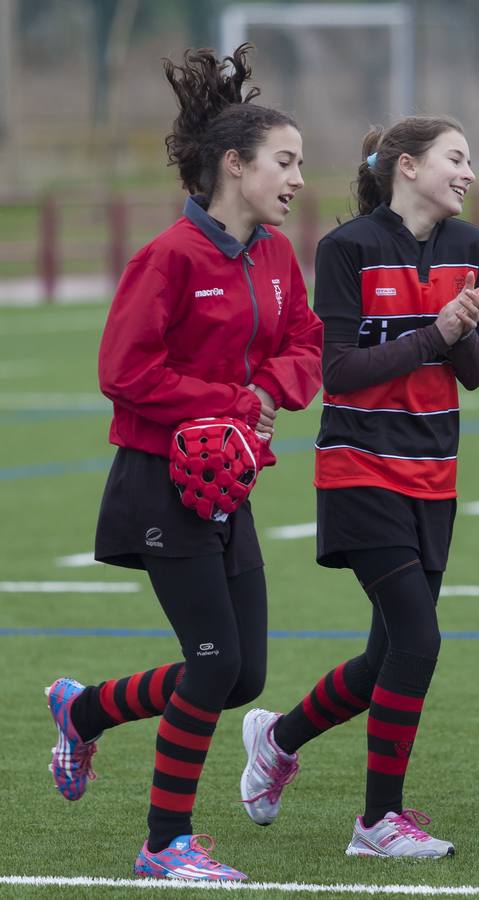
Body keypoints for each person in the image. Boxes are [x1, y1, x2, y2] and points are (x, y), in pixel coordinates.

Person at [43, 44, 323, 882]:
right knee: (211, 663)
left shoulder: (274, 255)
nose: (299, 179)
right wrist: (230, 403)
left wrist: (271, 384)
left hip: (226, 483)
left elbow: (306, 341)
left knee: (243, 675)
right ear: (234, 166)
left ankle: (84, 711)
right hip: (158, 479)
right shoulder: (169, 258)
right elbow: (122, 374)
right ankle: (165, 844)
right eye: (286, 162)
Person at [237, 116, 479, 860]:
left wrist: (464, 331)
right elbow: (338, 373)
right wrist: (435, 336)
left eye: (470, 160)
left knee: (388, 659)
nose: (468, 172)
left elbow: (475, 372)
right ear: (406, 167)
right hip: (359, 468)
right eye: (456, 158)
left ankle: (278, 738)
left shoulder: (471, 248)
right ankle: (378, 823)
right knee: (420, 637)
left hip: (434, 475)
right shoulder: (346, 249)